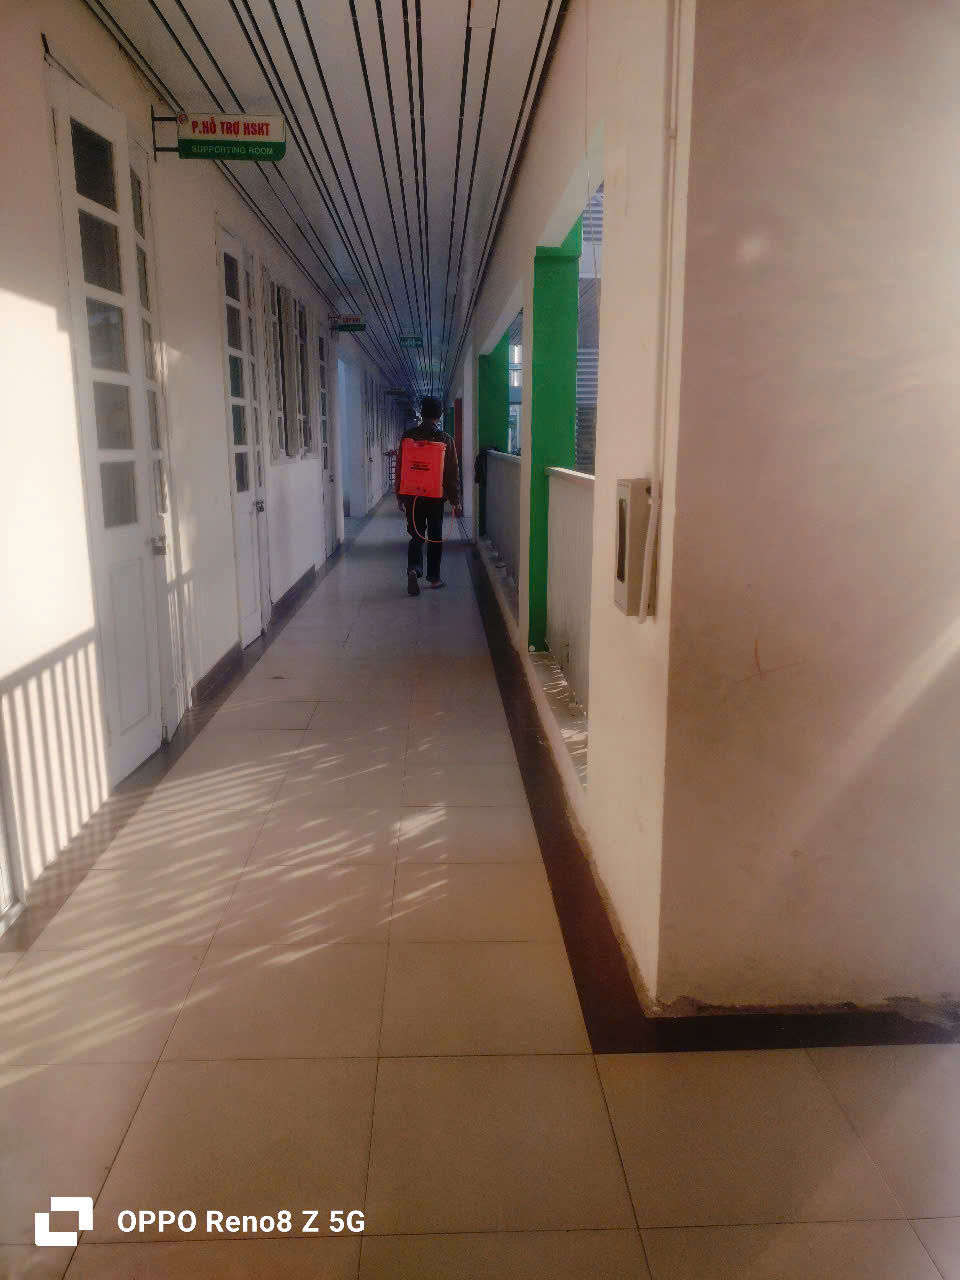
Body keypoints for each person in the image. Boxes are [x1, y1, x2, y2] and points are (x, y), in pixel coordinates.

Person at [396, 396, 460, 595]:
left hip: (413, 496)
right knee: (435, 537)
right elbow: (451, 473)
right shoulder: (445, 439)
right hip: (435, 496)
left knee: (416, 535)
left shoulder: (408, 437)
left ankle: (414, 569)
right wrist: (455, 499)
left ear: (422, 413)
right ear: (439, 415)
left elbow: (401, 467)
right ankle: (434, 578)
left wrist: (399, 495)